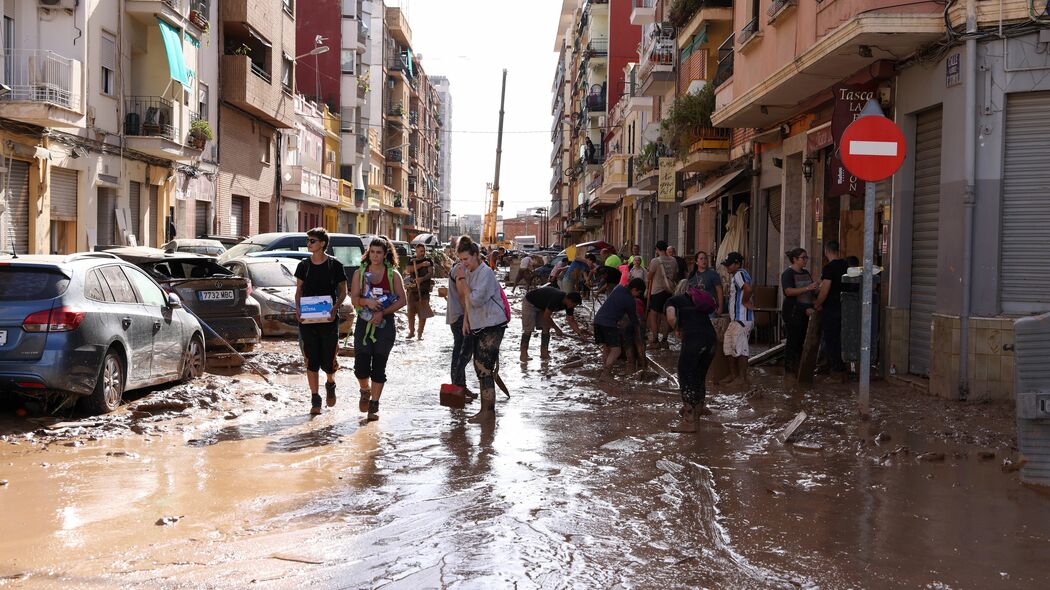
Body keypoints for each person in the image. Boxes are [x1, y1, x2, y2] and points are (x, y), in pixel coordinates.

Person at [350, 237, 407, 421]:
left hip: (385, 326)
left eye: (379, 253)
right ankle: (364, 390)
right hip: (363, 323)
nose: (375, 256)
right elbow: (354, 299)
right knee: (360, 367)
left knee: (379, 367)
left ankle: (374, 404)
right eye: (372, 252)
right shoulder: (360, 273)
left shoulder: (393, 275)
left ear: (385, 254)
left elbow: (402, 300)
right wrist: (367, 302)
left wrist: (383, 313)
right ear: (368, 253)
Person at [294, 228, 349, 415]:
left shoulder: (335, 265)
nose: (308, 244)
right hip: (307, 320)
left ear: (322, 244)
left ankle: (330, 382)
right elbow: (299, 290)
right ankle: (315, 398)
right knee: (311, 359)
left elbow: (344, 291)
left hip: (328, 318)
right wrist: (298, 309)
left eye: (312, 241)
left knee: (329, 358)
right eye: (308, 240)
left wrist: (335, 307)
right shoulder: (303, 266)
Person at [455, 236, 508, 422]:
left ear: (476, 255)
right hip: (479, 324)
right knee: (480, 367)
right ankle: (485, 411)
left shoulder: (485, 272)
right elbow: (467, 301)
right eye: (460, 260)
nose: (464, 263)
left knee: (483, 366)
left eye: (466, 259)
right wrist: (465, 321)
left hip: (493, 324)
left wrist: (461, 279)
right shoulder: (469, 272)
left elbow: (475, 299)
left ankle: (488, 413)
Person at [666, 284, 718, 431]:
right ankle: (698, 410)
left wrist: (678, 329)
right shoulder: (697, 301)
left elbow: (671, 318)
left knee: (685, 375)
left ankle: (689, 421)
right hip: (711, 340)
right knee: (699, 376)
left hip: (694, 340)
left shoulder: (672, 301)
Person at [593, 278, 646, 379]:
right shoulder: (630, 300)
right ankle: (606, 373)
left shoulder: (618, 288)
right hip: (608, 324)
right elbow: (634, 320)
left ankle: (605, 368)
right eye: (638, 293)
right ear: (634, 289)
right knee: (616, 350)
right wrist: (639, 334)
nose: (638, 295)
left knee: (607, 347)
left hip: (598, 320)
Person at [444, 236, 475, 400]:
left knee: (460, 353)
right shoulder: (459, 270)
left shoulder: (458, 267)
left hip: (457, 316)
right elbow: (463, 296)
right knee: (461, 354)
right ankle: (457, 390)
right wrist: (467, 318)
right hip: (460, 317)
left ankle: (460, 387)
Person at [520, 286, 584, 362]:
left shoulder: (569, 305)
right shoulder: (556, 298)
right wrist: (557, 329)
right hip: (530, 303)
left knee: (546, 328)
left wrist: (579, 334)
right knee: (528, 329)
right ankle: (523, 354)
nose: (574, 307)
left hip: (543, 306)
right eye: (574, 305)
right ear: (568, 300)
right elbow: (547, 316)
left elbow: (571, 320)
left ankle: (544, 353)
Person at [781, 248, 819, 376]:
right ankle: (789, 369)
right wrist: (807, 287)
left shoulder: (806, 273)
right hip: (793, 311)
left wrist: (814, 300)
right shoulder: (788, 274)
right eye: (803, 258)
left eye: (806, 258)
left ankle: (799, 368)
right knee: (793, 340)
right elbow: (788, 291)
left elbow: (810, 293)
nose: (805, 260)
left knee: (801, 340)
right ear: (795, 259)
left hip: (805, 311)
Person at [814, 240, 849, 376]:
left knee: (831, 338)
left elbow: (825, 289)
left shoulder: (829, 268)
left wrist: (817, 303)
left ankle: (837, 369)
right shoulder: (846, 265)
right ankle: (841, 366)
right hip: (846, 307)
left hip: (832, 308)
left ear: (826, 251)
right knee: (842, 337)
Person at [720, 251, 753, 386]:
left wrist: (745, 301)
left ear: (737, 264)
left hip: (742, 318)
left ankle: (741, 378)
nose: (727, 267)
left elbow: (748, 289)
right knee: (728, 346)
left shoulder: (740, 273)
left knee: (741, 348)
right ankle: (734, 375)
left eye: (729, 265)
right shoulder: (737, 275)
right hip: (736, 320)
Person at [645, 240, 678, 347]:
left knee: (653, 315)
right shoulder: (673, 260)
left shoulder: (655, 261)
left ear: (657, 249)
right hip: (669, 291)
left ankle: (655, 340)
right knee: (666, 316)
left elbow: (649, 277)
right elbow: (675, 275)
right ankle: (664, 340)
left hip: (657, 291)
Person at [405, 243, 434, 340]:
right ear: (416, 251)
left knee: (423, 313)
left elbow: (431, 273)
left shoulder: (428, 260)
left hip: (424, 290)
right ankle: (411, 331)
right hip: (412, 290)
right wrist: (421, 265)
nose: (422, 253)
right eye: (420, 251)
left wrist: (422, 278)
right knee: (410, 312)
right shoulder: (412, 260)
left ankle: (420, 333)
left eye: (423, 251)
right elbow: (408, 270)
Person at [688, 251, 724, 316]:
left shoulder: (713, 274)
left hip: (710, 308)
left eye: (705, 258)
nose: (704, 260)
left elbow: (719, 290)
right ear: (696, 262)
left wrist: (720, 308)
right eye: (701, 259)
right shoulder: (692, 275)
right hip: (696, 308)